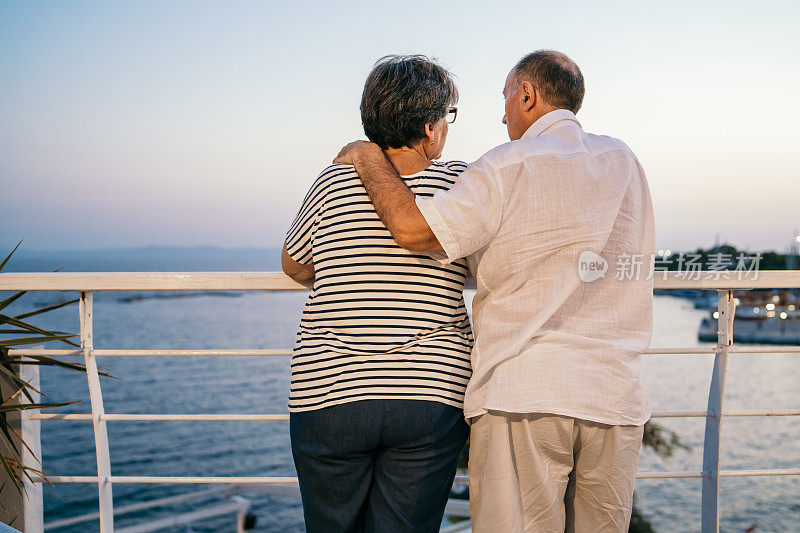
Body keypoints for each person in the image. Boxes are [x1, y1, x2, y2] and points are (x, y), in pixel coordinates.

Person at [334, 50, 655, 532]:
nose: (502, 112)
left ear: (527, 93)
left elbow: (414, 230)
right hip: (613, 395)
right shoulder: (625, 162)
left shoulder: (506, 164)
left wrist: (365, 154)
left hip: (524, 391)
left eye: (505, 96)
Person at [281, 55, 472, 533]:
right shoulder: (459, 183)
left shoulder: (332, 180)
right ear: (430, 127)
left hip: (329, 392)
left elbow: (295, 263)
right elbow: (476, 261)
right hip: (429, 392)